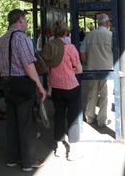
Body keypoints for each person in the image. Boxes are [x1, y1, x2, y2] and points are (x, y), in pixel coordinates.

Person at [0, 9, 46, 172]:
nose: (26, 23)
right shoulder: (21, 38)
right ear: (19, 20)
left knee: (12, 123)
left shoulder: (2, 39)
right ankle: (28, 161)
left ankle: (12, 158)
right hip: (22, 86)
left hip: (7, 84)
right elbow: (28, 65)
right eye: (25, 20)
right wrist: (39, 85)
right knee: (26, 124)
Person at [42, 20, 83, 161]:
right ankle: (73, 150)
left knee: (59, 116)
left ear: (53, 32)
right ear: (66, 32)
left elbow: (48, 69)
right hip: (71, 86)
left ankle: (58, 148)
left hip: (56, 88)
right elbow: (79, 69)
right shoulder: (70, 48)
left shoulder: (49, 48)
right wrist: (69, 70)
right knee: (73, 118)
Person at [80, 13, 113, 127]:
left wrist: (88, 61)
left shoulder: (89, 35)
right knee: (106, 95)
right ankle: (102, 120)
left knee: (92, 93)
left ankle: (89, 117)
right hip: (107, 69)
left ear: (98, 23)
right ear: (107, 23)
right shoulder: (111, 35)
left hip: (92, 69)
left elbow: (82, 51)